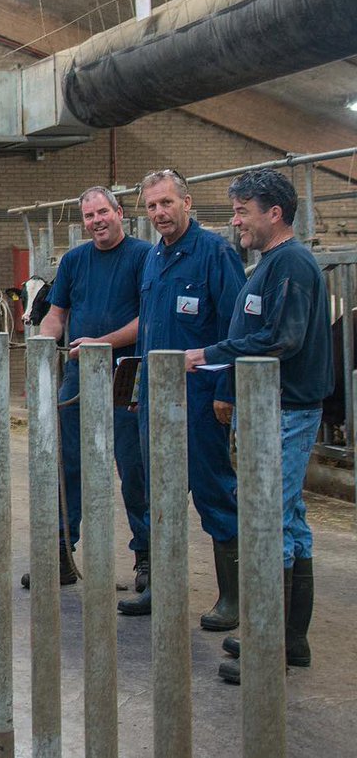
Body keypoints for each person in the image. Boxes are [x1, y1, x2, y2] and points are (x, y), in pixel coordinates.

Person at [183, 169, 331, 684]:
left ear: (275, 213)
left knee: (267, 520)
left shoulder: (291, 262)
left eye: (243, 210)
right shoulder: (269, 264)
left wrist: (209, 354)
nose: (235, 220)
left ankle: (268, 650)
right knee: (288, 518)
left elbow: (280, 338)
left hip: (285, 408)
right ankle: (288, 641)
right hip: (270, 406)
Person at [118, 169, 246, 629]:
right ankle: (162, 590)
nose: (160, 213)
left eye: (167, 203)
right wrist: (135, 389)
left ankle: (232, 599)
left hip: (201, 403)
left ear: (187, 203)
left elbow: (237, 331)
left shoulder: (216, 254)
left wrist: (228, 392)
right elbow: (148, 331)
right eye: (152, 206)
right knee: (161, 498)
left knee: (215, 494)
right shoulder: (153, 259)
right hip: (156, 400)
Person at [20, 186, 150, 592]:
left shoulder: (144, 257)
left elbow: (148, 320)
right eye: (89, 216)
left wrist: (101, 343)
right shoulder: (75, 260)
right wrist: (43, 346)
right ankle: (61, 552)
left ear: (119, 213)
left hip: (126, 371)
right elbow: (56, 315)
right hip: (78, 374)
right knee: (65, 461)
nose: (96, 221)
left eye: (102, 213)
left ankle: (146, 557)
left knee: (134, 466)